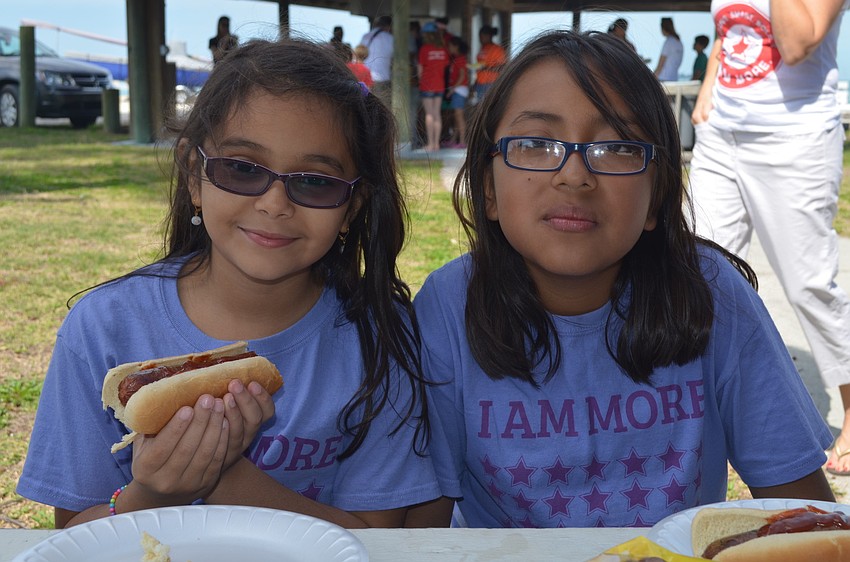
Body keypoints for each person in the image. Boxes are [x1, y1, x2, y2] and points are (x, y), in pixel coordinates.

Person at [16, 37, 443, 529]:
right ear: (195, 176)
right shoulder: (101, 329)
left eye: (315, 181)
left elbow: (375, 538)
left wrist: (223, 476)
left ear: (353, 207)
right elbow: (73, 528)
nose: (274, 204)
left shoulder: (380, 340)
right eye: (242, 170)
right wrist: (152, 493)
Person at [414, 29, 835, 528]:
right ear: (488, 187)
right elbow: (420, 532)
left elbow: (806, 519)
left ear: (657, 195)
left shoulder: (712, 293)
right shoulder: (448, 305)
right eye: (534, 143)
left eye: (616, 147)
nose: (574, 175)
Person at [689, 0, 850, 477]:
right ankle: (707, 418)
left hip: (794, 137)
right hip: (722, 136)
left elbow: (798, 44)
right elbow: (730, 29)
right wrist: (707, 90)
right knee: (698, 271)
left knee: (810, 285)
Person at [417, 21, 450, 152]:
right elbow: (446, 66)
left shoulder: (424, 49)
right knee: (437, 114)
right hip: (439, 85)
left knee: (429, 114)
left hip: (427, 85)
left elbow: (420, 71)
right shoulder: (443, 49)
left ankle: (430, 144)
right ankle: (437, 144)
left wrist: (421, 81)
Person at [358, 15, 394, 107]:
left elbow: (359, 54)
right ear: (389, 26)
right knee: (383, 107)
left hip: (365, 76)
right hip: (382, 78)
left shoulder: (365, 36)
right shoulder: (390, 38)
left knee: (367, 106)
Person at [445, 36, 470, 149]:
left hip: (459, 90)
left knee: (459, 117)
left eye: (450, 46)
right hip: (458, 90)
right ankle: (454, 140)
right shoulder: (457, 59)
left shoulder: (460, 59)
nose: (448, 48)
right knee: (456, 117)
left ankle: (462, 141)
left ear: (456, 47)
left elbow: (462, 75)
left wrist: (453, 88)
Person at [472, 25, 506, 103]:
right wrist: (475, 83)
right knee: (480, 108)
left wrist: (485, 68)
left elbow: (502, 68)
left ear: (488, 36)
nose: (480, 39)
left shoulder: (497, 49)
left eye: (482, 36)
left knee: (487, 108)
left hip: (490, 83)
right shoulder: (483, 48)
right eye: (479, 36)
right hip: (480, 83)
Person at [654, 17, 683, 81]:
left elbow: (660, 66)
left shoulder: (668, 42)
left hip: (663, 79)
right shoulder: (679, 42)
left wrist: (652, 79)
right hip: (674, 78)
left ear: (663, 28)